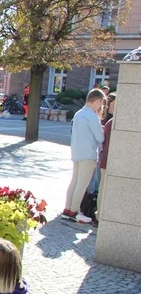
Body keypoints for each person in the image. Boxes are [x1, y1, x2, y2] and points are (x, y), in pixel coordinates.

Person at [62, 88, 105, 224]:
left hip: (77, 151)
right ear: (98, 100)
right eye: (101, 102)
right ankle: (74, 211)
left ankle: (67, 209)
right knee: (82, 183)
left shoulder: (79, 113)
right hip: (88, 153)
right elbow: (100, 137)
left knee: (74, 180)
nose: (101, 106)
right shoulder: (91, 116)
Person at [97, 94, 115, 223]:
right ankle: (99, 216)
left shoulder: (111, 122)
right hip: (107, 161)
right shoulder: (111, 123)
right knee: (103, 190)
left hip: (109, 160)